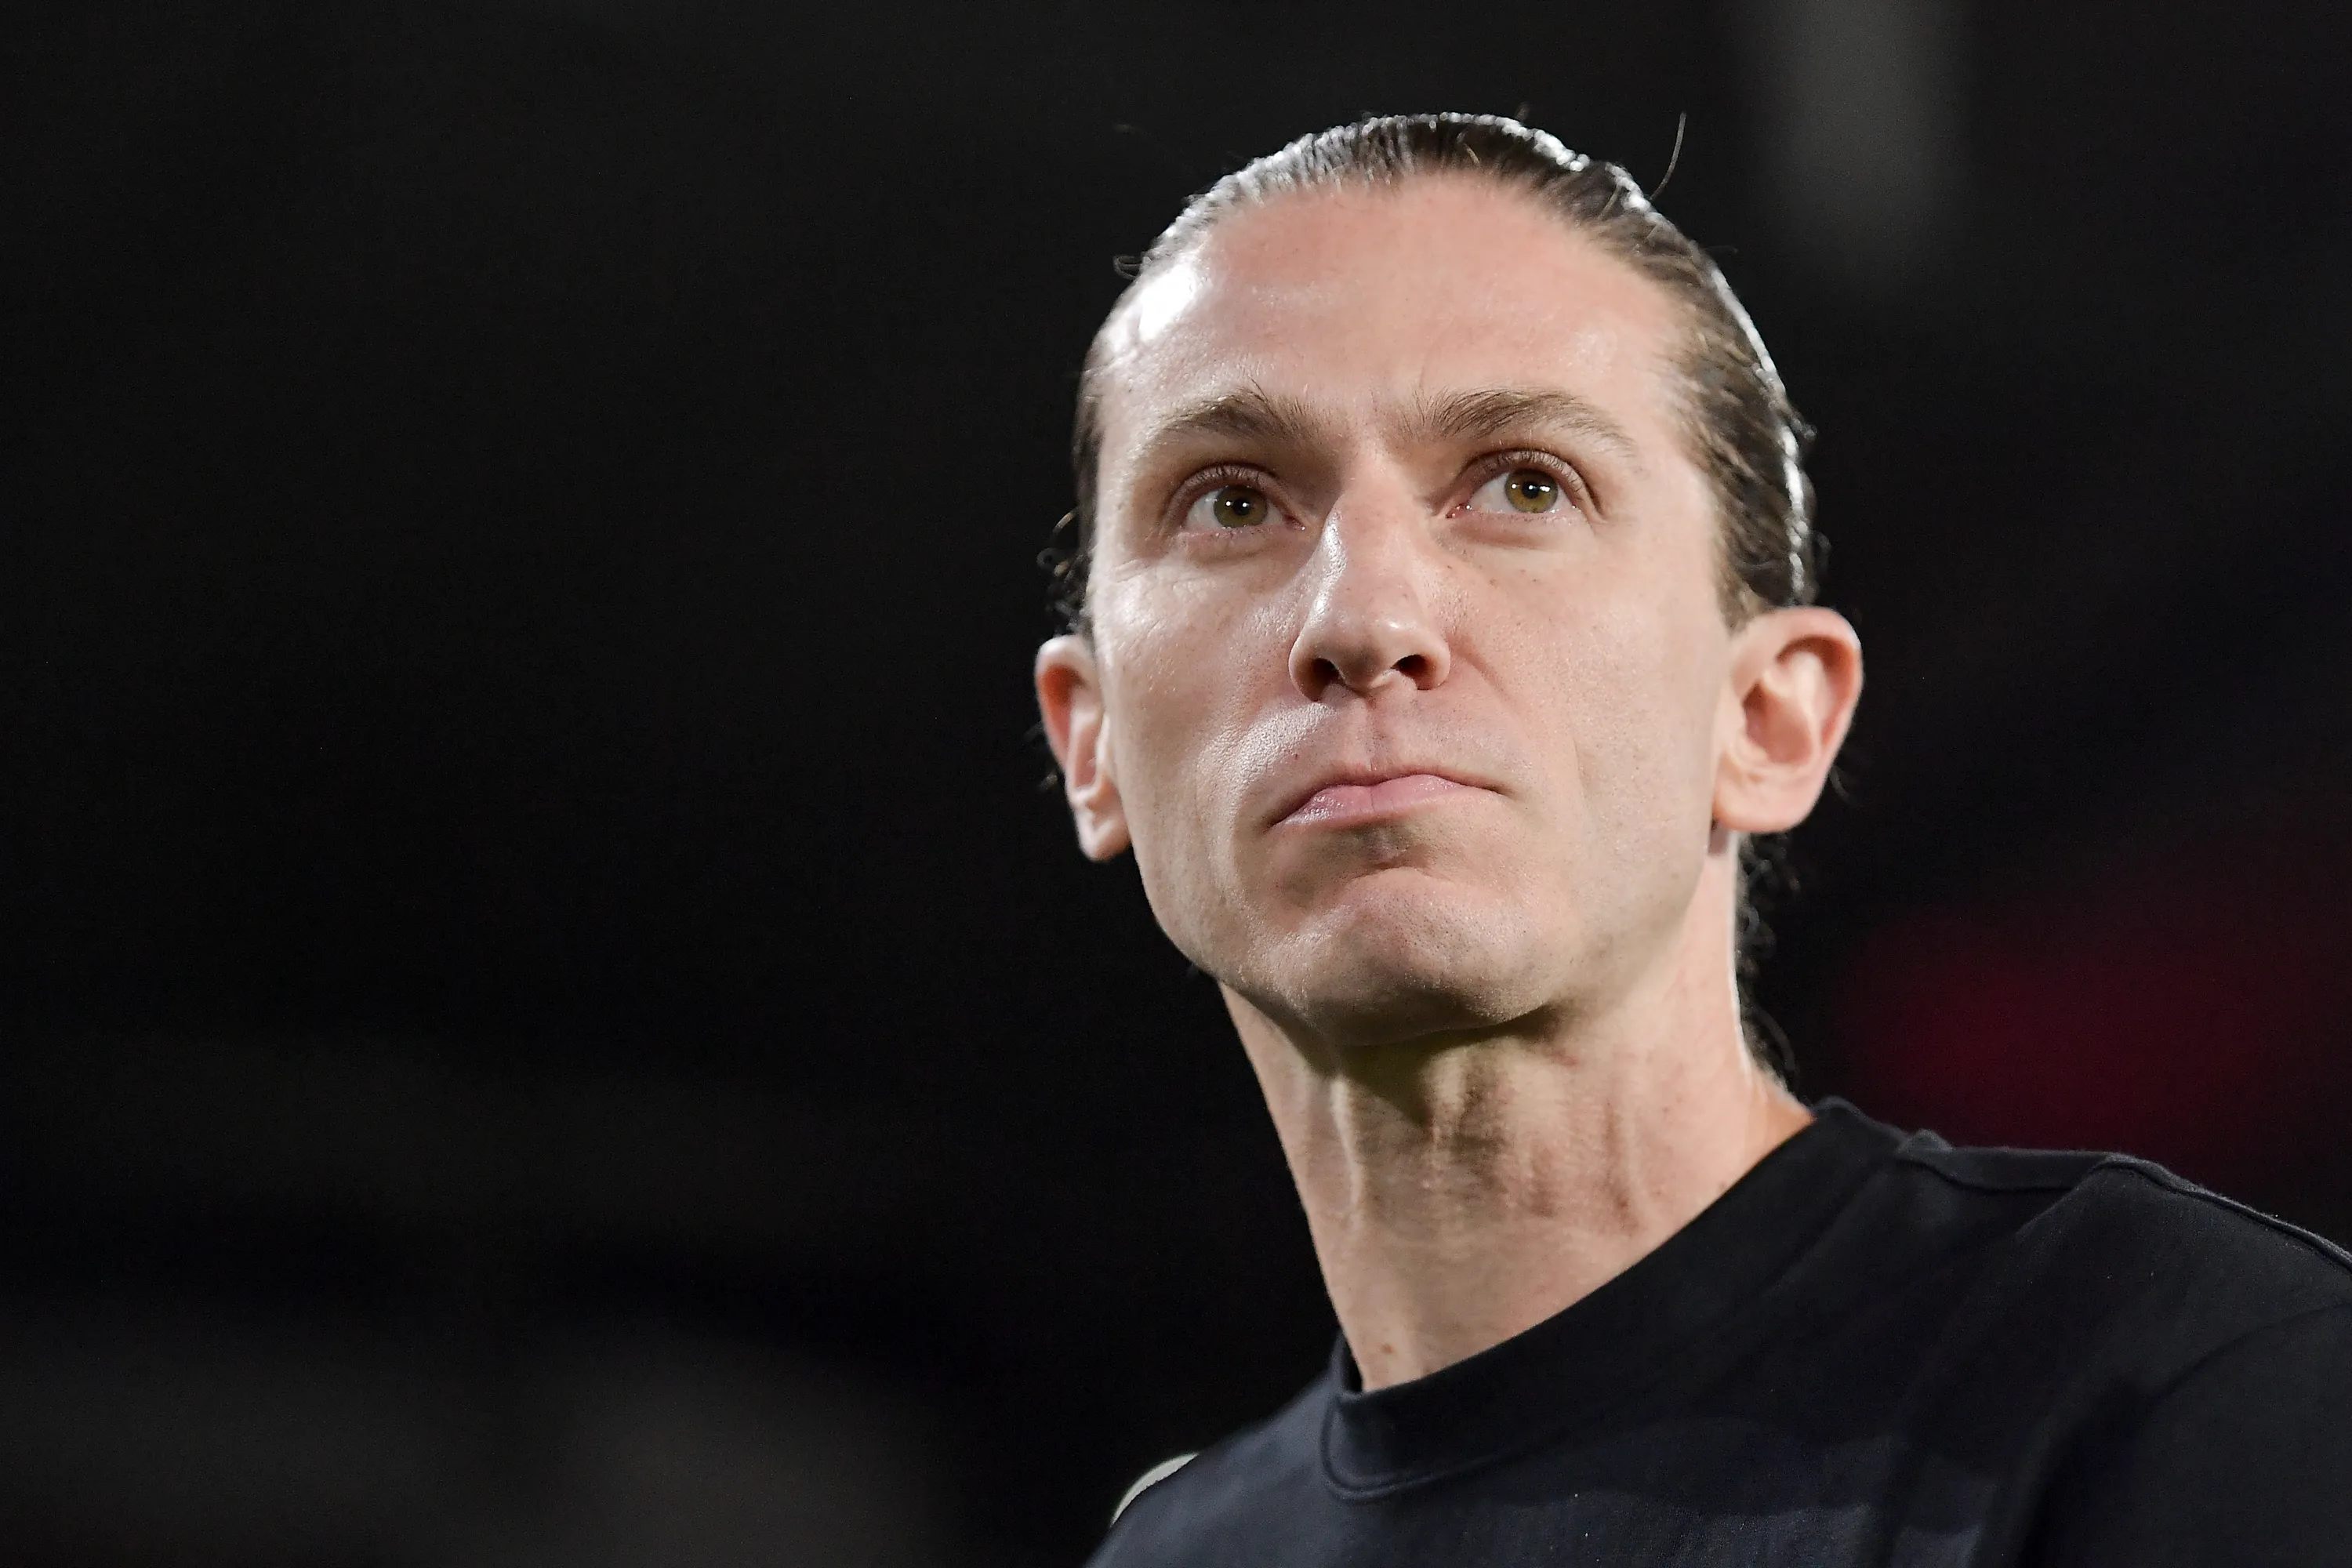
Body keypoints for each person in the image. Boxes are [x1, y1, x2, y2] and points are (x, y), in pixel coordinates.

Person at [1032, 114, 2352, 1566]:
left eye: (1525, 484)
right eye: (1231, 502)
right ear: (1091, 743)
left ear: (1769, 718)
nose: (1365, 616)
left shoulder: (2192, 1389)